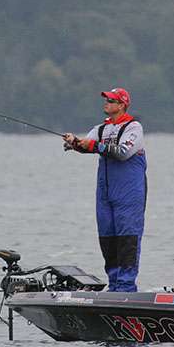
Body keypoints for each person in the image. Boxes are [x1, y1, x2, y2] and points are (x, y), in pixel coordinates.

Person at [62, 88, 147, 292]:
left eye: (111, 100)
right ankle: (115, 285)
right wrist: (74, 142)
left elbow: (122, 152)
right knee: (107, 240)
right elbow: (87, 145)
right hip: (105, 195)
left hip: (129, 194)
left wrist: (93, 145)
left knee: (127, 239)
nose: (106, 102)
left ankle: (126, 287)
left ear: (122, 104)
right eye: (106, 99)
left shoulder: (133, 127)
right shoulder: (101, 128)